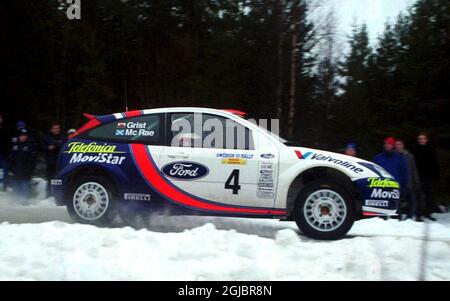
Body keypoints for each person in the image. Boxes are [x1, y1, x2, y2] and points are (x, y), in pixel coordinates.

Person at [412, 132, 440, 222]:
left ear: (426, 140)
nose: (421, 140)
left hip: (429, 178)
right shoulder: (415, 150)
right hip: (419, 178)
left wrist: (435, 177)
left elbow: (435, 164)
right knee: (419, 197)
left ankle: (428, 214)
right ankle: (419, 215)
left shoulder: (431, 150)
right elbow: (413, 166)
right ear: (418, 140)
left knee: (430, 197)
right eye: (420, 139)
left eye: (423, 138)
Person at [395, 139, 420, 220]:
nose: (398, 146)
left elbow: (413, 169)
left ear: (403, 145)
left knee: (412, 201)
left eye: (399, 144)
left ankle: (410, 217)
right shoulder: (394, 156)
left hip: (409, 182)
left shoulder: (409, 156)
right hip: (398, 183)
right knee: (397, 202)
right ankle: (398, 217)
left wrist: (416, 181)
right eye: (396, 144)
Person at [8, 128, 36, 202]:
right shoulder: (15, 146)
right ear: (19, 136)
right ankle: (15, 202)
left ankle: (24, 202)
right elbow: (11, 159)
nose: (23, 137)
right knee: (16, 191)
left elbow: (32, 160)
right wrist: (11, 169)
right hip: (16, 172)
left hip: (26, 173)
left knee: (25, 190)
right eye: (21, 135)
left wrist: (29, 169)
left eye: (25, 135)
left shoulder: (30, 146)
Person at [41, 123, 66, 193]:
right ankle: (48, 194)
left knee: (58, 180)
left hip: (60, 162)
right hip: (50, 162)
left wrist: (56, 144)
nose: (57, 130)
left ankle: (58, 194)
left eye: (58, 128)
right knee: (50, 179)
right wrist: (48, 147)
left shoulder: (63, 137)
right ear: (51, 129)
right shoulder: (46, 137)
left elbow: (65, 145)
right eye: (55, 128)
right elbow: (41, 147)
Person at [0, 113, 12, 191]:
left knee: (5, 170)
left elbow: (9, 142)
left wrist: (8, 153)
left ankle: (5, 187)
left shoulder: (5, 129)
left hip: (4, 154)